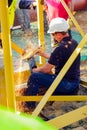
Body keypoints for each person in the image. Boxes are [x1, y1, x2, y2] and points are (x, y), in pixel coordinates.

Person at [24, 17, 80, 111]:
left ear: (58, 34)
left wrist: (34, 69)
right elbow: (60, 58)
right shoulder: (74, 42)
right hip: (74, 83)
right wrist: (42, 54)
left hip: (66, 85)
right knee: (39, 76)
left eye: (53, 34)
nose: (53, 36)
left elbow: (46, 69)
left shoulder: (60, 48)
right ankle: (42, 90)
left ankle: (28, 107)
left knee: (35, 77)